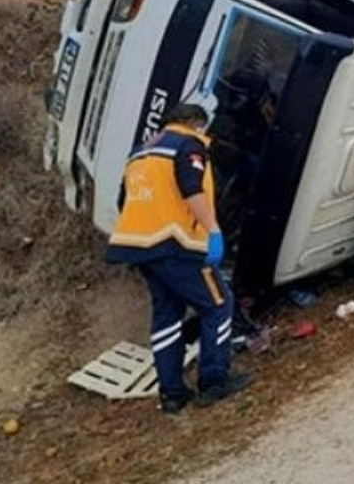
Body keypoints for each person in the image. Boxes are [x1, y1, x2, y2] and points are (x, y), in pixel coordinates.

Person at [106, 103, 253, 414]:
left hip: (140, 246)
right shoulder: (189, 145)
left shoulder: (141, 153)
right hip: (178, 245)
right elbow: (192, 189)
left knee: (167, 315)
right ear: (196, 124)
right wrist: (212, 230)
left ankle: (172, 394)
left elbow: (124, 200)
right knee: (217, 304)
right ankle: (214, 381)